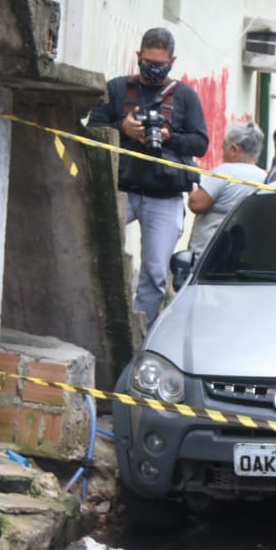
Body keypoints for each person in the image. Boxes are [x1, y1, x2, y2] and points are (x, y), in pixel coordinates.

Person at [87, 27, 209, 329]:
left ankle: (143, 335)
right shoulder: (116, 89)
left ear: (172, 61)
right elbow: (92, 128)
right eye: (148, 61)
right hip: (120, 189)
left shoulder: (184, 96)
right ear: (138, 56)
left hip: (164, 197)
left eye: (160, 64)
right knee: (93, 250)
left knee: (155, 273)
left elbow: (200, 143)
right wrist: (122, 128)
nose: (153, 68)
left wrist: (169, 137)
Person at [187, 122, 265, 257]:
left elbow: (197, 204)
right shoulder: (265, 177)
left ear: (234, 149)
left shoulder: (226, 171)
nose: (223, 154)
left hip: (208, 254)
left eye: (224, 148)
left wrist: (192, 188)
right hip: (244, 254)